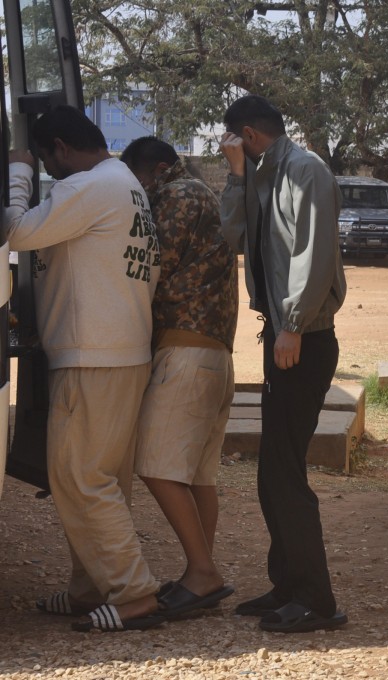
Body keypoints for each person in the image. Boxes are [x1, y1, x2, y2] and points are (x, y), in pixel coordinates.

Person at [5, 106, 163, 632]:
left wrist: (19, 172)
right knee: (103, 479)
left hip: (92, 355)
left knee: (78, 478)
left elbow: (15, 231)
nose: (51, 171)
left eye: (48, 160)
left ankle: (135, 592)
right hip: (120, 353)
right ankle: (89, 587)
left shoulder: (90, 187)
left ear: (60, 148)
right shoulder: (123, 184)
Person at [218, 95, 348, 633]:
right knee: (272, 473)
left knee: (286, 473)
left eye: (228, 138)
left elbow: (314, 255)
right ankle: (287, 585)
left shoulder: (305, 170)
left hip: (305, 338)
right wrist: (235, 178)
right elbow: (230, 236)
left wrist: (292, 324)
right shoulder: (261, 173)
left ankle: (317, 600)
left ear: (247, 133)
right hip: (282, 335)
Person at [121, 136, 239, 618]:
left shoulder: (176, 195)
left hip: (185, 349)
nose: (137, 190)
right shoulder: (196, 192)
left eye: (139, 179)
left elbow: (152, 266)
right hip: (210, 352)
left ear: (158, 169)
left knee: (153, 464)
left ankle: (203, 572)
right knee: (195, 475)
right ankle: (200, 574)